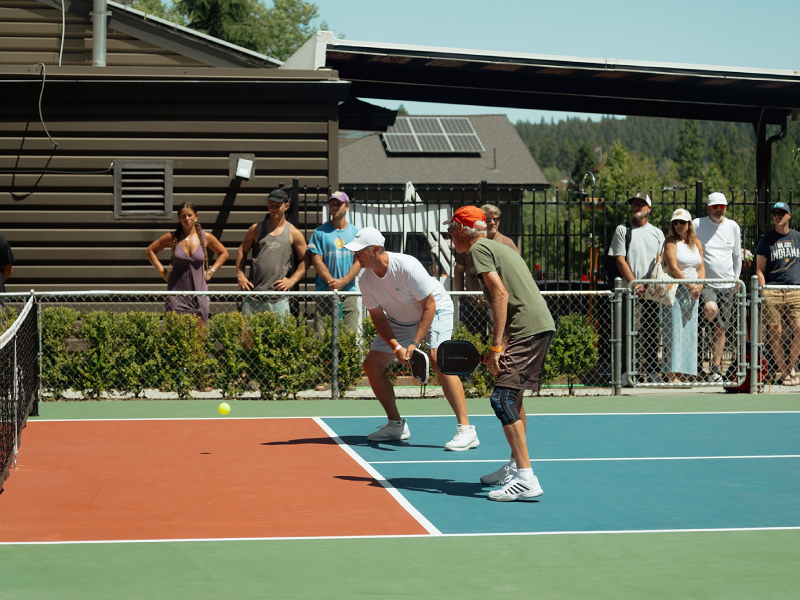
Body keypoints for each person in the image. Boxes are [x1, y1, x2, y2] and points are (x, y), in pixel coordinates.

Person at [448, 205, 555, 501]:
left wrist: (496, 346)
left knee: (502, 399)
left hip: (529, 329)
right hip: (532, 327)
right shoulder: (495, 247)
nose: (449, 235)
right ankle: (514, 467)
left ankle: (526, 478)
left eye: (451, 229)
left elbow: (501, 294)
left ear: (462, 230)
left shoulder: (479, 249)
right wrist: (505, 341)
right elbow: (517, 296)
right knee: (514, 395)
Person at [345, 226, 479, 451]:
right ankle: (396, 425)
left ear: (376, 250)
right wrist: (396, 346)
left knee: (439, 360)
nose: (355, 255)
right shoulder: (365, 280)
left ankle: (467, 430)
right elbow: (378, 318)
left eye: (359, 251)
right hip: (401, 318)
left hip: (435, 310)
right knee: (371, 365)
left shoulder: (407, 266)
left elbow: (429, 306)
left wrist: (414, 344)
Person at [608, 192, 665, 386]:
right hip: (628, 289)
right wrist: (634, 283)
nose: (637, 207)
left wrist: (648, 284)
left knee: (650, 331)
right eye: (634, 204)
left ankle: (652, 371)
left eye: (641, 204)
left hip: (651, 291)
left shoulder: (658, 233)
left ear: (649, 209)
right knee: (626, 332)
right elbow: (619, 259)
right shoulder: (623, 230)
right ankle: (626, 372)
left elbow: (660, 262)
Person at [146, 202, 228, 323]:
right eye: (183, 216)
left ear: (196, 216)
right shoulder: (172, 237)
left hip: (199, 295)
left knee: (200, 337)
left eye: (190, 215)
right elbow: (150, 251)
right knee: (176, 337)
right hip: (176, 296)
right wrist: (163, 272)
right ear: (179, 218)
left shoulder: (206, 237)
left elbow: (224, 253)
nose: (187, 219)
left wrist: (211, 271)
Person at [693, 192, 742, 383]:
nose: (719, 210)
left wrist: (736, 281)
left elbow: (737, 257)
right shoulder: (697, 224)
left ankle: (715, 369)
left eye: (722, 206)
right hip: (706, 283)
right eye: (715, 206)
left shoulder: (733, 227)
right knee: (710, 310)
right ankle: (697, 363)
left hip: (728, 284)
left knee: (721, 329)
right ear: (708, 208)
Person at [236, 187, 308, 317]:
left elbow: (306, 259)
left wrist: (292, 280)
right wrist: (240, 275)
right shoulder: (256, 229)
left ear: (286, 206)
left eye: (277, 206)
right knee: (248, 336)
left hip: (278, 299)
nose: (273, 209)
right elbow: (242, 250)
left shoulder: (293, 232)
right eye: (271, 205)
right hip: (254, 296)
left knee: (280, 336)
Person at [453, 203, 519, 336]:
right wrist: (459, 295)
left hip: (498, 300)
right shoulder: (469, 242)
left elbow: (516, 273)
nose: (493, 223)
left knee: (501, 337)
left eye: (496, 219)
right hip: (473, 300)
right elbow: (459, 270)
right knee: (473, 339)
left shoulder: (507, 243)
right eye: (488, 219)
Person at [755, 201, 800, 385]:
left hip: (795, 289)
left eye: (782, 213)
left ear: (789, 216)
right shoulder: (766, 240)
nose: (778, 216)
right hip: (772, 290)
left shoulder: (797, 237)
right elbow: (759, 269)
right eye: (775, 213)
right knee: (776, 331)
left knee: (798, 328)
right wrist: (764, 290)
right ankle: (785, 372)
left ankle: (791, 367)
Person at [307, 191, 361, 334]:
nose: (335, 207)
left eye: (339, 204)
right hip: (325, 290)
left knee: (348, 336)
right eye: (332, 204)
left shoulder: (356, 233)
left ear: (347, 207)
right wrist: (332, 282)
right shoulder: (320, 232)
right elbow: (316, 259)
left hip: (349, 292)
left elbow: (360, 261)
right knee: (322, 336)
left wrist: (343, 282)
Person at [663, 209, 705, 383]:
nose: (678, 225)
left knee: (689, 333)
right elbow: (673, 267)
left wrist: (700, 286)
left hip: (693, 293)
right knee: (673, 331)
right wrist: (689, 285)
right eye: (675, 222)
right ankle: (671, 373)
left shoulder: (697, 243)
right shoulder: (670, 242)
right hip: (676, 291)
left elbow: (701, 267)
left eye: (682, 222)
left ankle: (683, 373)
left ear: (689, 224)